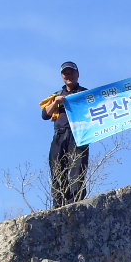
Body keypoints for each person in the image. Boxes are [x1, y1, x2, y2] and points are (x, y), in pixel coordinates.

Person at [41, 61, 89, 207]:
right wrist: (56, 103)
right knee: (57, 170)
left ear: (77, 74)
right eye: (65, 73)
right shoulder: (56, 95)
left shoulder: (85, 93)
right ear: (62, 76)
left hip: (79, 135)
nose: (68, 76)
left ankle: (76, 203)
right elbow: (45, 115)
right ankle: (58, 204)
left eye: (71, 73)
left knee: (77, 169)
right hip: (60, 135)